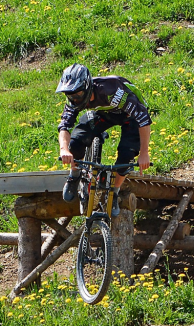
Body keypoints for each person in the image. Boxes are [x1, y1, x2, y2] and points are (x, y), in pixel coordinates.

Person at [56, 63, 151, 217]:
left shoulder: (111, 90)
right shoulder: (73, 99)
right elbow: (64, 126)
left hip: (130, 116)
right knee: (75, 143)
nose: (74, 99)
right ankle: (74, 175)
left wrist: (144, 153)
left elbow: (143, 119)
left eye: (78, 95)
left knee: (127, 154)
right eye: (70, 96)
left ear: (87, 87)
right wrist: (64, 150)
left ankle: (114, 192)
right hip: (103, 113)